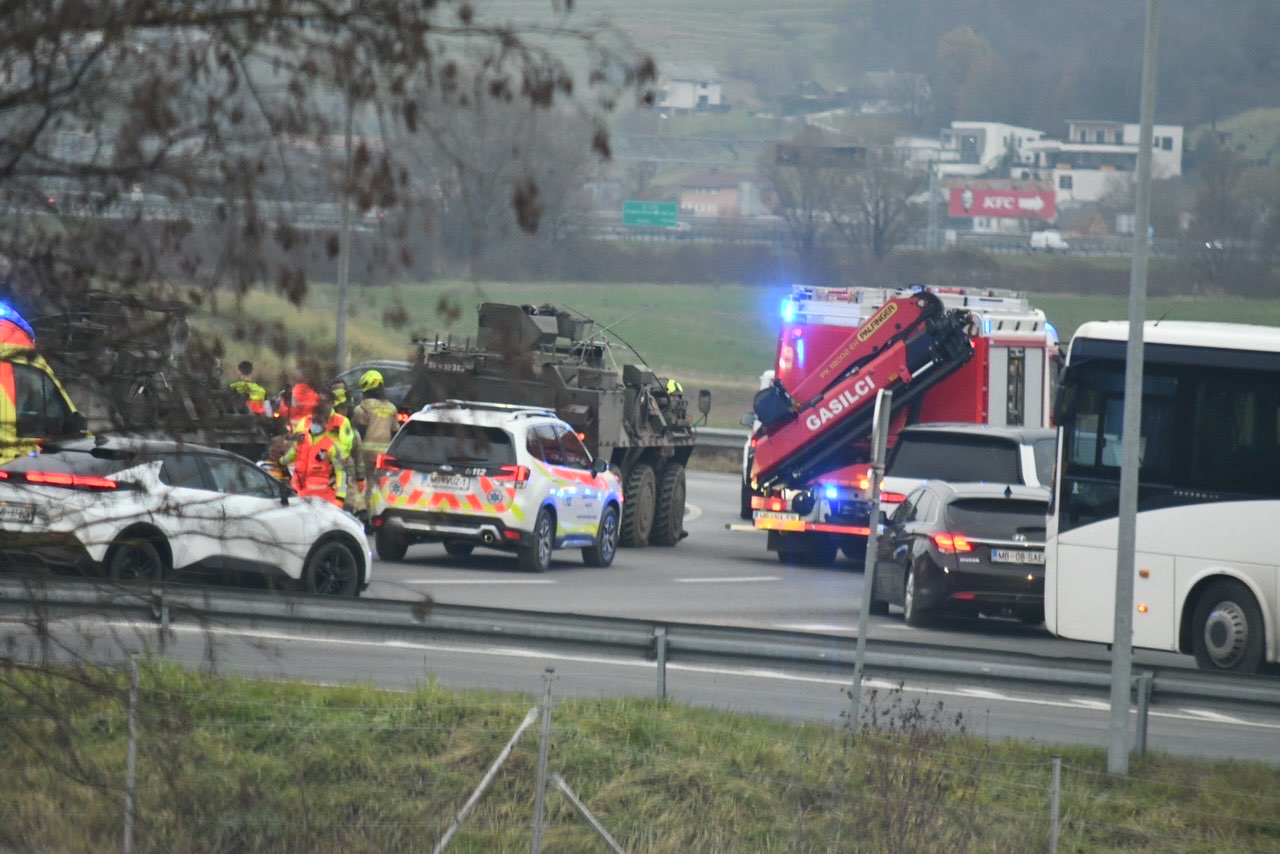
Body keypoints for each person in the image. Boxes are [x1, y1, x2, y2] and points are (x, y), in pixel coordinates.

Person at [279, 394, 347, 507]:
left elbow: (341, 472)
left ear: (325, 423)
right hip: (299, 497)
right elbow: (291, 455)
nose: (316, 424)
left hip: (322, 500)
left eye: (319, 421)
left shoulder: (331, 445)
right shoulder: (302, 438)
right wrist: (279, 462)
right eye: (314, 420)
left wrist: (340, 497)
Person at [353, 369, 401, 508]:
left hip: (366, 454)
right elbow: (395, 432)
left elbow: (358, 434)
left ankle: (364, 512)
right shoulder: (391, 408)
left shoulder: (362, 408)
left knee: (365, 484)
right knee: (380, 486)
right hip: (385, 456)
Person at [331, 380, 366, 519]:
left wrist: (361, 477)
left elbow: (358, 457)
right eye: (341, 408)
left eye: (346, 408)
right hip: (330, 477)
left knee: (348, 510)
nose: (344, 411)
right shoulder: (325, 430)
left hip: (348, 479)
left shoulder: (351, 431)